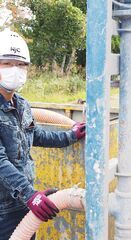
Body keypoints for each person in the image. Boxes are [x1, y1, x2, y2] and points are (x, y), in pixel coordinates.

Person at [0, 29, 86, 240]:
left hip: (23, 200)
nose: (16, 70)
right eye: (7, 64)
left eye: (21, 65)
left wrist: (71, 135)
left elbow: (34, 135)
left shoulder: (21, 104)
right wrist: (31, 196)